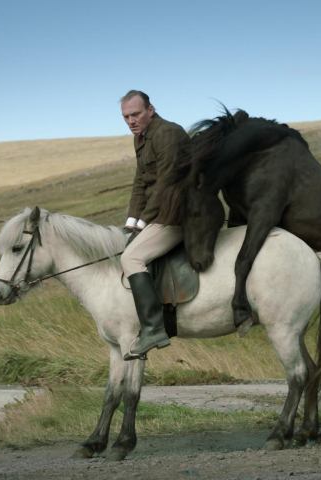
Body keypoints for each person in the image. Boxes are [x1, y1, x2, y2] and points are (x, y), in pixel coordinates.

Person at [118, 90, 190, 360]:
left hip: (177, 214)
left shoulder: (168, 134)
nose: (131, 121)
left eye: (135, 114)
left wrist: (144, 221)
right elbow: (140, 183)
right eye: (126, 117)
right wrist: (131, 223)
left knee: (132, 258)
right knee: (128, 243)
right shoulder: (141, 138)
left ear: (150, 110)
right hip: (159, 214)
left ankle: (152, 328)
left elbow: (165, 184)